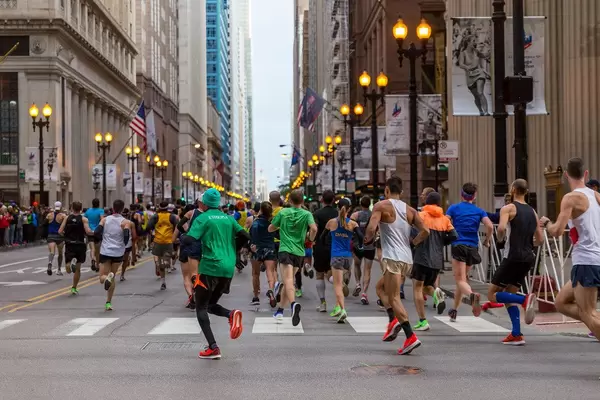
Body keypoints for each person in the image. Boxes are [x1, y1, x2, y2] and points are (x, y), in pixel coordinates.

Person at [364, 176, 429, 355]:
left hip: (392, 257)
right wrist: (413, 243)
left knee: (393, 297)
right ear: (401, 192)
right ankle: (393, 321)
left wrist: (367, 239)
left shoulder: (381, 206)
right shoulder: (410, 210)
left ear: (386, 190)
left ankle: (410, 337)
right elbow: (426, 231)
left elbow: (371, 228)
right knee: (380, 288)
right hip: (407, 258)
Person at [540, 158, 600, 341]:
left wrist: (547, 223)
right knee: (561, 303)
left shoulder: (570, 198)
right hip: (592, 259)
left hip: (586, 261)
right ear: (586, 173)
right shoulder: (597, 196)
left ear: (566, 175)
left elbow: (557, 230)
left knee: (588, 312)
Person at [187, 188, 249, 359]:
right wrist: (233, 250)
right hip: (227, 268)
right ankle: (231, 314)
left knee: (200, 308)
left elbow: (190, 239)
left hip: (209, 267)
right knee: (210, 305)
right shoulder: (228, 219)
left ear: (204, 203)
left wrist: (182, 238)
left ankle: (213, 347)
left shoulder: (203, 218)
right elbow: (245, 235)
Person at [487, 179, 542, 345]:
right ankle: (516, 333)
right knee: (509, 294)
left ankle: (524, 300)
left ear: (513, 189)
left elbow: (502, 228)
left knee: (492, 294)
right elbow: (540, 239)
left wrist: (500, 240)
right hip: (528, 257)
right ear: (525, 191)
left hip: (512, 256)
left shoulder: (508, 208)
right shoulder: (533, 212)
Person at [268, 189, 318, 326]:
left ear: (289, 201)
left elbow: (270, 228)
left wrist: (278, 227)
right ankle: (279, 311)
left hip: (285, 250)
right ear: (302, 201)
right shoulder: (307, 214)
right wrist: (310, 239)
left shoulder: (283, 212)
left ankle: (293, 304)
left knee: (288, 280)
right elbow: (314, 229)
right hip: (299, 252)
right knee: (287, 282)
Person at [446, 182, 494, 321]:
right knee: (463, 279)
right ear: (474, 196)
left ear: (462, 194)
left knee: (460, 279)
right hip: (472, 247)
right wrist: (487, 240)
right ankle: (454, 310)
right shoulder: (479, 211)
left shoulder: (454, 208)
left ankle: (472, 296)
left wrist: (449, 232)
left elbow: (445, 221)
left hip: (459, 244)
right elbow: (490, 226)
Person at [411, 192, 457, 331]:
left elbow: (413, 233)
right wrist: (441, 242)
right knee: (427, 286)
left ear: (427, 202)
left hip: (422, 257)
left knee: (418, 288)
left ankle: (423, 321)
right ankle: (437, 293)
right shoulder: (444, 219)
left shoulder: (421, 216)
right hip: (437, 260)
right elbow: (454, 235)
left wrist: (415, 243)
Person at [322, 198, 362, 323]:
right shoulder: (353, 224)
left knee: (337, 285)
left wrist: (327, 245)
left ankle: (343, 309)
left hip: (336, 256)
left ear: (338, 208)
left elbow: (323, 237)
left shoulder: (331, 223)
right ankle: (338, 307)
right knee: (342, 282)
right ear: (349, 209)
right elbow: (360, 237)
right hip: (348, 257)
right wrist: (360, 246)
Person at [95, 200, 131, 311]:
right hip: (118, 252)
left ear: (113, 208)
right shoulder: (125, 222)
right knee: (112, 275)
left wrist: (101, 240)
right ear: (122, 208)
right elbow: (126, 235)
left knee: (102, 278)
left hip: (106, 251)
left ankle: (107, 278)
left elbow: (97, 232)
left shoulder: (105, 219)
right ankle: (108, 302)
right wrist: (122, 245)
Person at [312, 190, 338, 312]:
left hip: (320, 246)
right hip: (336, 245)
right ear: (334, 200)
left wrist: (311, 240)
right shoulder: (338, 213)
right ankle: (338, 282)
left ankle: (323, 303)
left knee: (319, 274)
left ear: (322, 199)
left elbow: (315, 229)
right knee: (331, 273)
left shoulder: (317, 213)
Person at [58, 201, 93, 294]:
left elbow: (60, 231)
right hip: (80, 244)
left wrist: (65, 235)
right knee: (78, 269)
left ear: (72, 208)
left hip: (70, 244)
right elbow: (88, 231)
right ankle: (74, 287)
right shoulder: (84, 219)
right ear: (81, 209)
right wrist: (95, 232)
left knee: (68, 268)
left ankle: (70, 263)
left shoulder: (67, 218)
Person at [176, 202, 204, 309]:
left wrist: (184, 233)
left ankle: (191, 296)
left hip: (186, 245)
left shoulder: (188, 215)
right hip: (200, 246)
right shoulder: (207, 216)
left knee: (186, 276)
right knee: (198, 273)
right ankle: (198, 294)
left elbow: (177, 229)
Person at [249, 201, 277, 306]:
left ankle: (256, 297)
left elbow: (251, 235)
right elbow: (276, 234)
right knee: (270, 271)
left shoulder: (255, 222)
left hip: (257, 250)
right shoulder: (272, 223)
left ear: (260, 210)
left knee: (255, 274)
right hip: (269, 249)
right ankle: (271, 290)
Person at [147, 201, 178, 290]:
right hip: (168, 242)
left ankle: (163, 280)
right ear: (168, 207)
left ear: (159, 207)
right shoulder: (172, 217)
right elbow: (178, 227)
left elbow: (148, 226)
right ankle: (165, 263)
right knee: (167, 261)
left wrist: (154, 229)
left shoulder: (155, 216)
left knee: (160, 261)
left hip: (158, 241)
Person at [351, 196, 376, 305]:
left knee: (357, 265)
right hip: (370, 245)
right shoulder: (374, 216)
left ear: (361, 204)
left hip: (358, 245)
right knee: (367, 270)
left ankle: (357, 283)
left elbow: (350, 228)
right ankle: (364, 293)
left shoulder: (355, 215)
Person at [46, 202, 66, 276]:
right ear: (60, 207)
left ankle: (50, 262)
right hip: (60, 236)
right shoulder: (63, 216)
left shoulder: (49, 215)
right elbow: (65, 225)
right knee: (60, 253)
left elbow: (44, 223)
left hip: (51, 235)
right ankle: (59, 269)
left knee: (52, 252)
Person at [84, 198, 104, 272]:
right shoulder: (101, 211)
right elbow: (102, 220)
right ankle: (97, 265)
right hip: (97, 232)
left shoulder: (88, 211)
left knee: (92, 249)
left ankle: (93, 259)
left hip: (89, 232)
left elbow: (84, 219)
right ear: (98, 203)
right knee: (98, 251)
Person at [119, 208, 138, 282]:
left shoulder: (118, 222)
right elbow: (134, 236)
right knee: (125, 260)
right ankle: (122, 275)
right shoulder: (131, 223)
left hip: (117, 244)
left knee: (117, 261)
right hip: (127, 245)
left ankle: (112, 274)